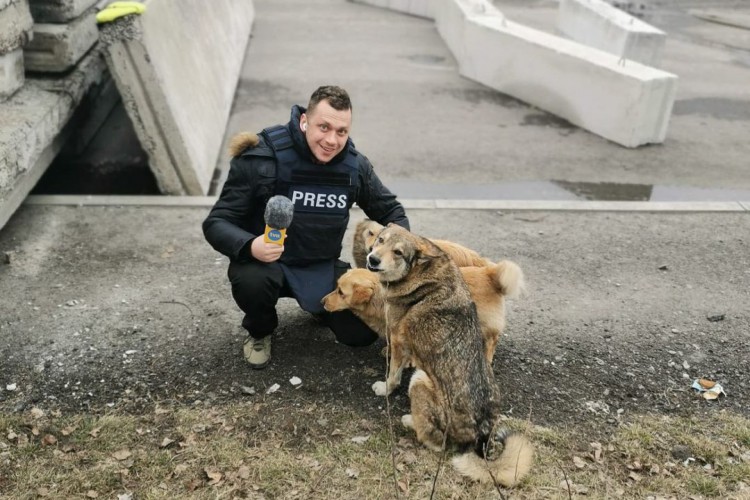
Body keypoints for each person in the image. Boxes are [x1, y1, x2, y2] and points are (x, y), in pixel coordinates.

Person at [203, 85, 410, 369]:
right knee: (252, 282)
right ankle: (260, 331)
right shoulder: (262, 157)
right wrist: (251, 246)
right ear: (304, 121)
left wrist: (396, 254)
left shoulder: (354, 168)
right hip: (266, 265)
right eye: (323, 127)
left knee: (360, 335)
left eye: (341, 131)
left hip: (320, 265)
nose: (332, 140)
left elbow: (391, 211)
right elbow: (217, 222)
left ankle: (319, 304)